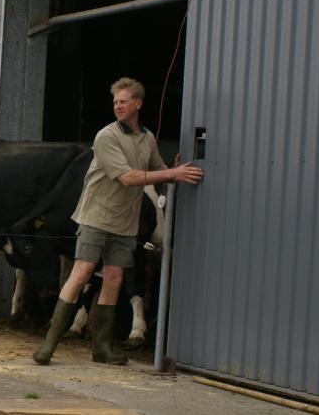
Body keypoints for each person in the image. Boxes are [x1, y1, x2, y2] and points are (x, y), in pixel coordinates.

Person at [33, 77, 204, 366]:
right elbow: (128, 177)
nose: (118, 106)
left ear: (138, 103)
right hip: (97, 217)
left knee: (113, 279)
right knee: (82, 273)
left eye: (123, 101)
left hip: (126, 223)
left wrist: (175, 168)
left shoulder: (147, 138)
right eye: (115, 102)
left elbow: (158, 170)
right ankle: (48, 346)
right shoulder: (106, 137)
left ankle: (101, 349)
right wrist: (170, 175)